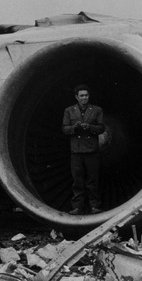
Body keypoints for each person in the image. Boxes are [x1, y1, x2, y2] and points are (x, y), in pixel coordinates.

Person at [62, 84, 106, 215]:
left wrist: (89, 127)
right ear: (76, 97)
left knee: (92, 180)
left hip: (91, 150)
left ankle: (95, 206)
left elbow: (101, 128)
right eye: (81, 96)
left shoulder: (97, 110)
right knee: (77, 181)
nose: (84, 98)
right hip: (76, 151)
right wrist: (73, 128)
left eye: (86, 95)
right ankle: (77, 207)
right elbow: (64, 128)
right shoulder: (69, 111)